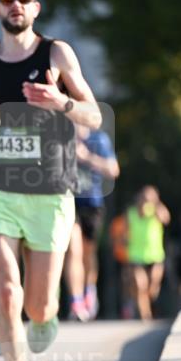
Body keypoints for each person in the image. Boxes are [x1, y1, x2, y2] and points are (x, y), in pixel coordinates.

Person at [0, 0, 102, 361]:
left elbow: (94, 117)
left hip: (50, 192)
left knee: (39, 306)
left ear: (36, 8)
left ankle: (43, 317)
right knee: (6, 291)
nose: (16, 6)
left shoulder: (57, 53)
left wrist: (59, 102)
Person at [64, 124, 119, 320]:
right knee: (73, 251)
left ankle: (89, 290)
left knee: (88, 253)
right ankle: (76, 301)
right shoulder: (60, 136)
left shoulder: (99, 139)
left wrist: (86, 157)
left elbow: (113, 170)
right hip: (68, 200)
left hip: (92, 202)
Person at [126, 186, 170, 320]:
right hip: (136, 256)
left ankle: (150, 299)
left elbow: (166, 219)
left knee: (152, 287)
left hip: (155, 255)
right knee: (141, 285)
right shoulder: (131, 213)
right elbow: (126, 231)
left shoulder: (156, 211)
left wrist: (156, 203)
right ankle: (146, 315)